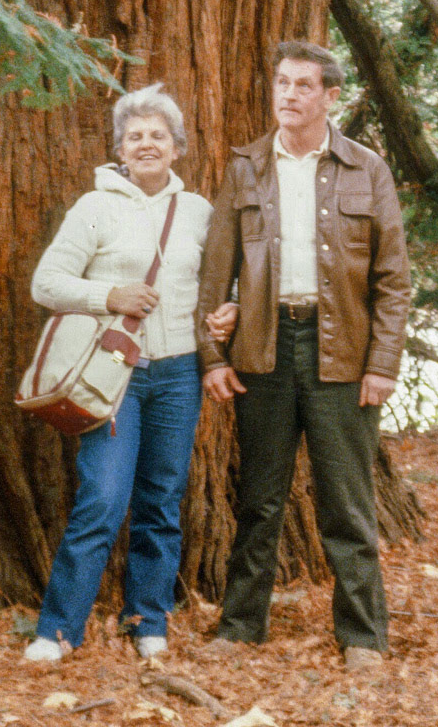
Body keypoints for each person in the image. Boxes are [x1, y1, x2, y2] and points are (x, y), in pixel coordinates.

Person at [195, 42, 411, 673]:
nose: (289, 96)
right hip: (263, 348)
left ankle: (364, 637)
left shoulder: (366, 168)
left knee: (347, 501)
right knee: (260, 497)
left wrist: (383, 363)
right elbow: (217, 271)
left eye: (304, 86)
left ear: (330, 96)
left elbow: (393, 278)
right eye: (282, 84)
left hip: (343, 354)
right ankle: (239, 627)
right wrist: (213, 355)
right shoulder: (246, 168)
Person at [23, 84, 235, 662]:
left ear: (177, 146)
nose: (147, 144)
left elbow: (221, 281)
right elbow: (47, 283)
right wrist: (109, 293)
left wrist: (229, 308)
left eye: (157, 136)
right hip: (113, 375)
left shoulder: (197, 212)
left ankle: (148, 622)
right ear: (119, 146)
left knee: (162, 501)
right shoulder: (95, 208)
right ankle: (59, 631)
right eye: (135, 135)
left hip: (179, 375)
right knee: (103, 498)